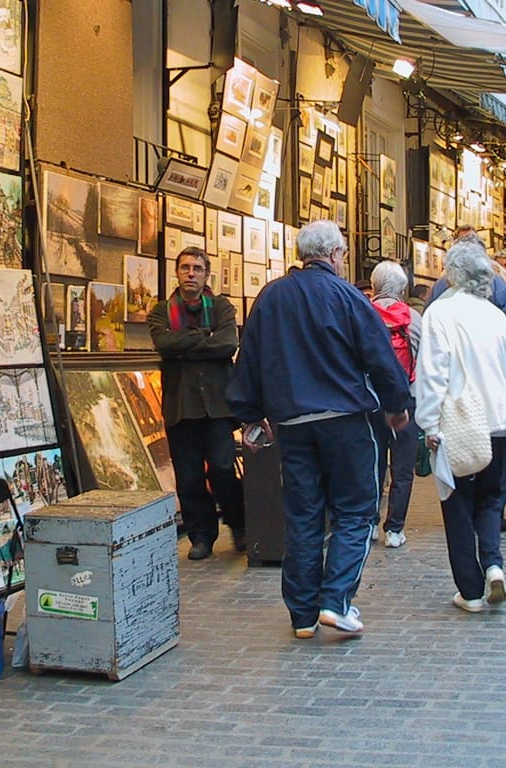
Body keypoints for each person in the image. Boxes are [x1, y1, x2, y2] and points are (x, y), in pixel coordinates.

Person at [226, 220, 411, 638]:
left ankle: (303, 614)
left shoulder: (270, 297)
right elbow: (379, 356)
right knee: (356, 511)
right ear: (333, 255)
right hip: (345, 420)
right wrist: (397, 405)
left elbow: (249, 358)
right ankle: (336, 599)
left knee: (304, 515)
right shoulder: (347, 295)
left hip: (292, 423)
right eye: (343, 253)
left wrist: (250, 416)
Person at [414, 238, 506, 613]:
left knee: (457, 506)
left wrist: (427, 422)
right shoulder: (496, 315)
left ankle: (470, 590)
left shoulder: (441, 312)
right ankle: (493, 563)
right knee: (490, 500)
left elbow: (433, 373)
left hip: (455, 423)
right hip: (496, 421)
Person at [147, 246, 245, 561]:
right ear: (177, 273)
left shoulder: (220, 307)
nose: (191, 273)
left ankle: (239, 522)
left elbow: (227, 343)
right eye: (186, 268)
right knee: (188, 477)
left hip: (217, 406)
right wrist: (204, 336)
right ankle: (201, 536)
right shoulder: (162, 311)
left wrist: (185, 342)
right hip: (181, 406)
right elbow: (164, 343)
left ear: (206, 274)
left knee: (221, 468)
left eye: (197, 269)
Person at [428, 226, 506, 531]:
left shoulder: (439, 296)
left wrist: (428, 420)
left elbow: (433, 362)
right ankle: (493, 535)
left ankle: (468, 527)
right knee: (494, 480)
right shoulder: (497, 295)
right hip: (491, 404)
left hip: (455, 404)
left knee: (459, 473)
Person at [369, 260, 421, 548]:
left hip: (371, 403)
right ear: (403, 288)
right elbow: (424, 364)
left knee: (373, 464)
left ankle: (371, 523)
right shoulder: (414, 318)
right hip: (406, 401)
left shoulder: (363, 314)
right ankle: (395, 530)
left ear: (374, 286)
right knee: (402, 468)